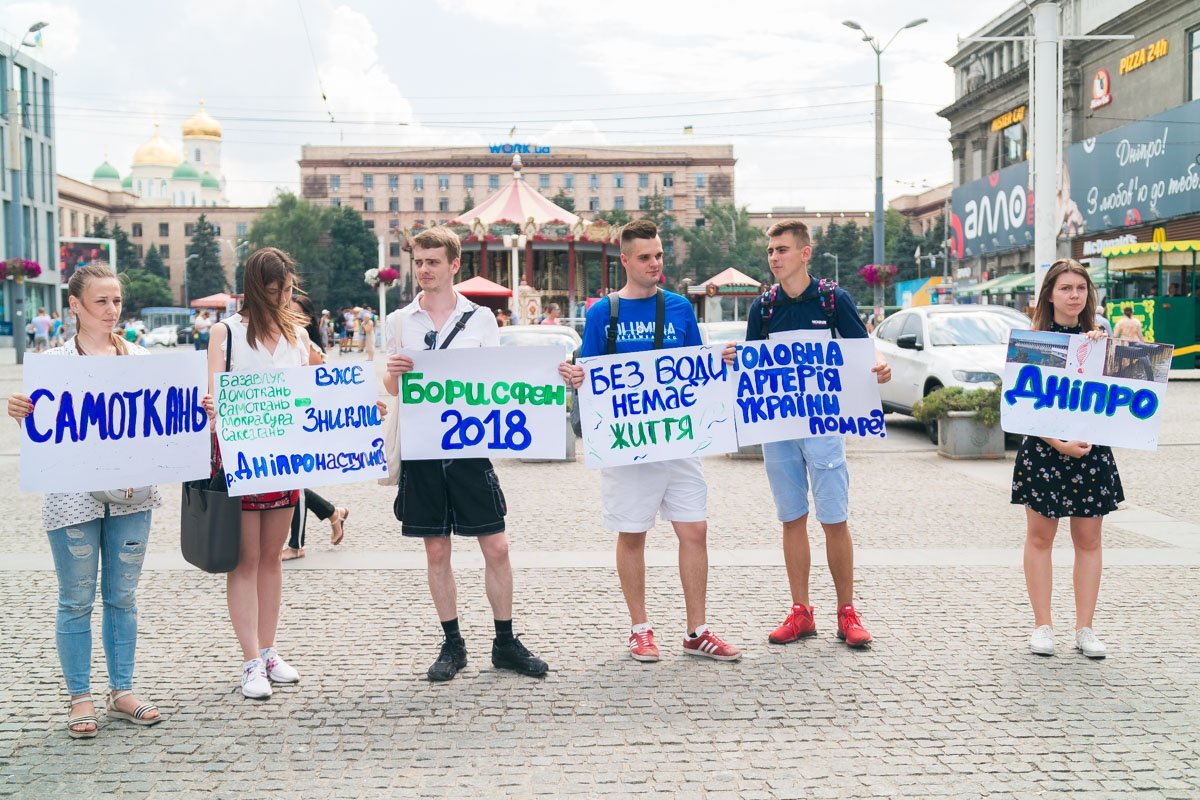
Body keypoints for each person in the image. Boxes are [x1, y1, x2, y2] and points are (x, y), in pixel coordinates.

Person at [558, 219, 742, 663]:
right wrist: (575, 375)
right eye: (645, 257)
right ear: (624, 260)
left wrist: (721, 362)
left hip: (679, 440)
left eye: (659, 255)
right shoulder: (603, 313)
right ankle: (640, 628)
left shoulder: (679, 308)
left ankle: (697, 630)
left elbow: (698, 367)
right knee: (633, 534)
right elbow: (589, 374)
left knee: (695, 529)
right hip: (626, 443)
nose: (655, 263)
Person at [7, 264, 175, 737]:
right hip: (71, 498)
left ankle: (121, 690)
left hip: (133, 496)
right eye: (101, 301)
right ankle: (79, 696)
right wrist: (21, 413)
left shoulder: (142, 359)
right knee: (76, 598)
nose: (111, 309)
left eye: (117, 300)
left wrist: (196, 412)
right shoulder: (54, 364)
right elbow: (45, 432)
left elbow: (165, 421)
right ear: (75, 305)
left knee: (123, 596)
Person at [384, 226, 548, 681]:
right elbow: (391, 388)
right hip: (422, 449)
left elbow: (498, 379)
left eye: (432, 262)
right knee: (437, 550)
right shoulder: (400, 320)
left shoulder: (480, 319)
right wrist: (392, 373)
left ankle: (505, 641)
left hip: (469, 445)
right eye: (419, 262)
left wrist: (550, 377)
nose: (424, 269)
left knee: (496, 546)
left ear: (454, 265)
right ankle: (453, 644)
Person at [738, 220, 891, 650]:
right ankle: (801, 611)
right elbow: (752, 366)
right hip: (779, 428)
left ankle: (847, 612)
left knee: (834, 519)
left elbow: (862, 349)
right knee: (791, 519)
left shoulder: (832, 299)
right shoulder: (763, 308)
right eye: (771, 250)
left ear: (805, 253)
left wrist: (880, 365)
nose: (774, 257)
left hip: (824, 426)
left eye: (782, 249)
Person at [206, 247, 313, 699]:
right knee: (246, 559)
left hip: (283, 458)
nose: (282, 298)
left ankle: (269, 650)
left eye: (287, 290)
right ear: (255, 288)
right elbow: (212, 394)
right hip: (241, 460)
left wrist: (359, 406)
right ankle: (250, 659)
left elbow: (314, 390)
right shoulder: (226, 333)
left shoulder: (298, 335)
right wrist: (211, 406)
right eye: (274, 291)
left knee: (272, 557)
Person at [1012, 259, 1121, 659]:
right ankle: (1043, 625)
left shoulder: (1101, 341)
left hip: (1091, 452)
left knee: (1089, 541)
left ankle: (1085, 628)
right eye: (1065, 288)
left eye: (1080, 288)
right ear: (1049, 295)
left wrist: (1105, 351)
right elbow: (1022, 405)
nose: (1074, 295)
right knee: (1040, 538)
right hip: (1045, 452)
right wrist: (1058, 443)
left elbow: (1122, 397)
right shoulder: (1033, 341)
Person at [282, 292, 350, 561]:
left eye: (296, 313)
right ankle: (333, 513)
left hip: (302, 421)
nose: (290, 317)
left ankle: (297, 544)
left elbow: (318, 391)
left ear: (308, 319)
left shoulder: (308, 348)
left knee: (293, 483)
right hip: (285, 419)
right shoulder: (287, 341)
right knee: (286, 480)